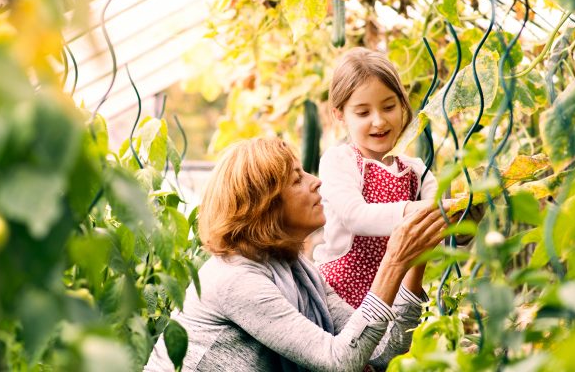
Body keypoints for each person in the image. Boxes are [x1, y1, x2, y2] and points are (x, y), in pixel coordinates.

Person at [144, 137, 447, 371]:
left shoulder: (297, 269)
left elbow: (382, 352)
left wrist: (416, 257)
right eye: (297, 179)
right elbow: (339, 362)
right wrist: (393, 261)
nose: (316, 182)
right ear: (265, 205)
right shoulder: (235, 279)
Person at [314, 48, 452, 308]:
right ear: (340, 114)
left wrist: (461, 219)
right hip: (336, 300)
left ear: (402, 104)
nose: (378, 121)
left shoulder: (416, 171)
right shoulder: (340, 161)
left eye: (388, 107)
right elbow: (356, 216)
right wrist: (419, 210)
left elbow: (439, 231)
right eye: (363, 113)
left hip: (393, 301)